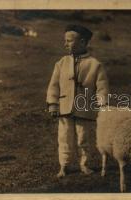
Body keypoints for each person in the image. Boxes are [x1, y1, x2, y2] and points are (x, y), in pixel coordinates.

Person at [46, 24, 109, 178]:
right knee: (64, 138)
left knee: (84, 138)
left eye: (68, 40)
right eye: (65, 40)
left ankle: (84, 164)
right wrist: (53, 104)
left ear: (82, 42)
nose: (65, 44)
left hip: (85, 108)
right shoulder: (61, 63)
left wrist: (102, 105)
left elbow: (102, 87)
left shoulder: (95, 65)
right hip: (64, 108)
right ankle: (64, 166)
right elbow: (53, 85)